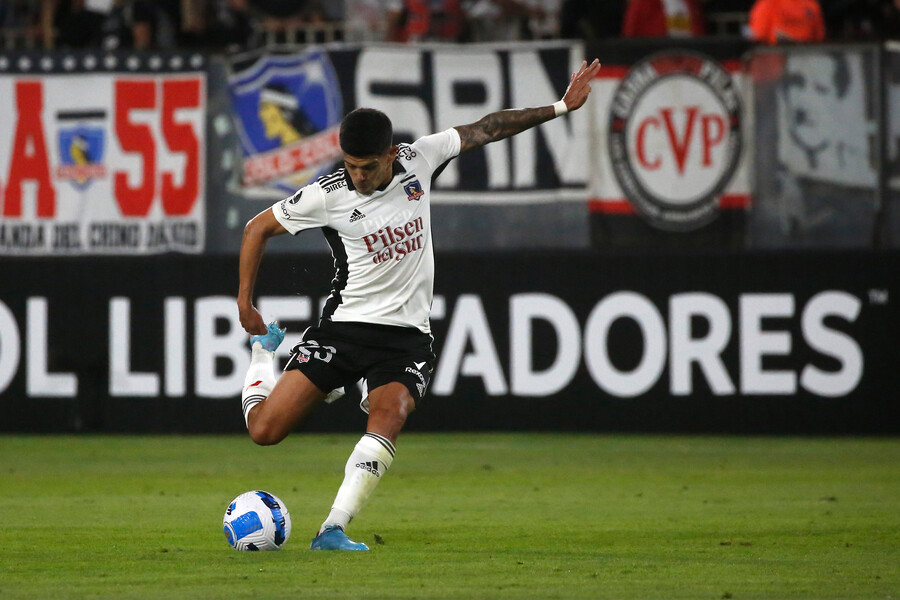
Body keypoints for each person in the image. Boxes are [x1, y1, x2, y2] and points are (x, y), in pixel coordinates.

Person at [237, 58, 602, 551]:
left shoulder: (420, 158)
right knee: (264, 432)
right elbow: (256, 228)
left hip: (406, 337)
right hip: (342, 330)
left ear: (391, 154)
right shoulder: (327, 195)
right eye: (349, 166)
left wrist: (561, 106)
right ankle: (264, 352)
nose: (358, 177)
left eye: (367, 167)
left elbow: (488, 127)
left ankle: (332, 529)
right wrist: (246, 304)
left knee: (391, 413)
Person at [747, 0, 825, 44]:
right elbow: (757, 39)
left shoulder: (812, 5)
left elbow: (819, 37)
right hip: (774, 61)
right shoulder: (766, 5)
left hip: (807, 58)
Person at [622, 0, 706, 37]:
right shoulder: (642, 3)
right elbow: (631, 33)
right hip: (657, 58)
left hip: (690, 56)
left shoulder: (692, 3)